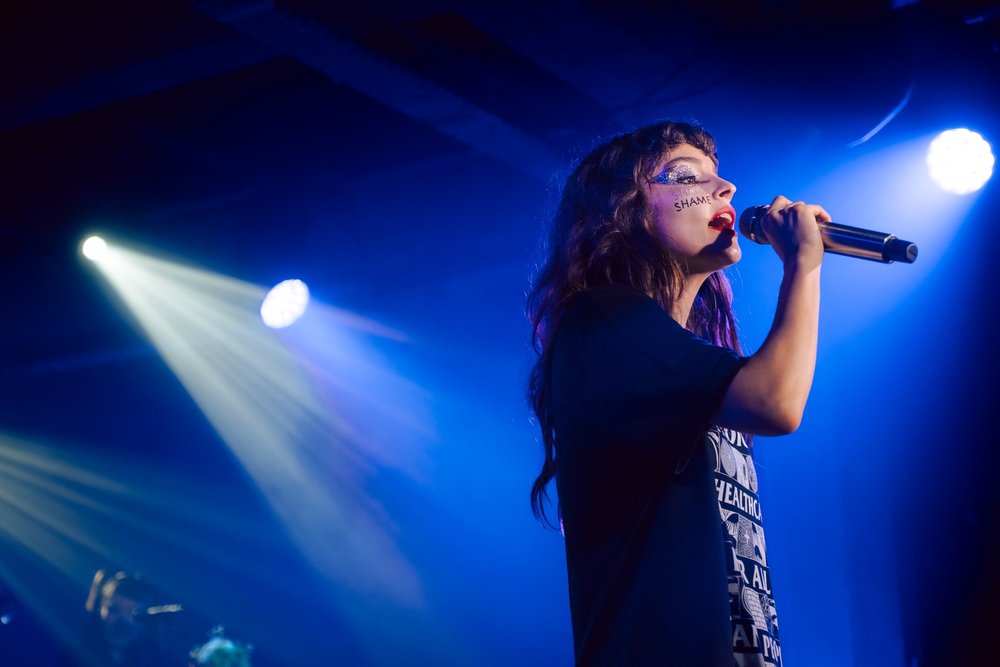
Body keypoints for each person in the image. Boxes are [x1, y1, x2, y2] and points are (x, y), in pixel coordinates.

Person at [526, 120, 827, 666]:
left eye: (718, 175)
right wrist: (802, 268)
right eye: (686, 176)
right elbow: (776, 403)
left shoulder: (678, 358)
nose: (726, 188)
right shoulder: (604, 320)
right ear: (623, 211)